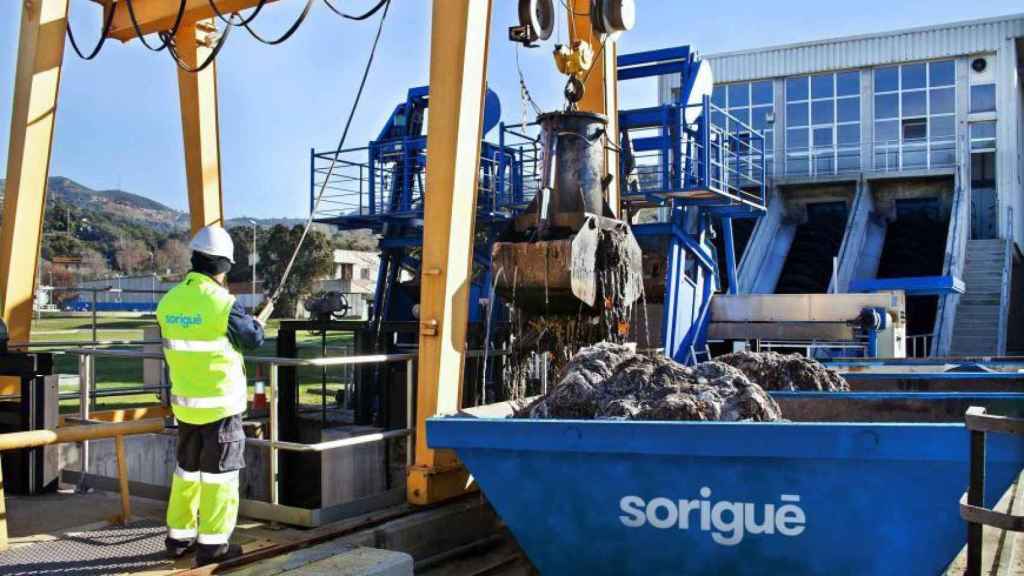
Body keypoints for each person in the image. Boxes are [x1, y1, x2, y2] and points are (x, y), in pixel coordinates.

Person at [158, 225, 267, 565]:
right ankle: (213, 547)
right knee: (220, 478)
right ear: (224, 266)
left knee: (187, 473)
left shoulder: (170, 301)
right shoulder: (223, 303)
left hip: (186, 407)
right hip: (220, 408)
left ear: (194, 259)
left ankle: (178, 539)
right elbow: (252, 339)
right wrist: (258, 321)